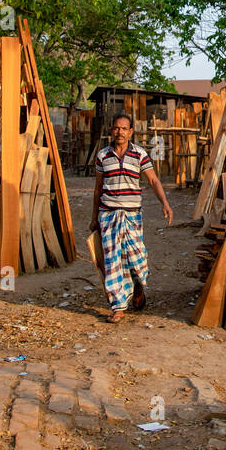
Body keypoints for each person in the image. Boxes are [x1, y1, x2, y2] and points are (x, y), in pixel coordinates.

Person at [91, 113, 173, 323]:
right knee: (112, 261)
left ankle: (138, 285)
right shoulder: (102, 156)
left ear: (130, 132)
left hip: (132, 215)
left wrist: (164, 203)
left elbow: (153, 180)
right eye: (116, 128)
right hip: (108, 214)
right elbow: (98, 188)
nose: (120, 132)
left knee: (137, 258)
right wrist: (94, 218)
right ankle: (118, 306)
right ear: (111, 130)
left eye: (124, 128)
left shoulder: (139, 154)